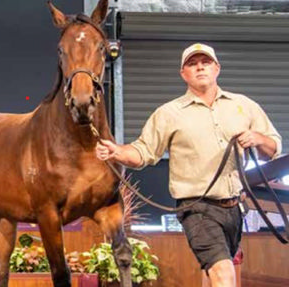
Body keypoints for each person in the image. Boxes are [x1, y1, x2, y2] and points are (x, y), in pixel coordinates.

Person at [96, 43, 281, 287]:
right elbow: (143, 152)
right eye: (192, 64)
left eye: (205, 62)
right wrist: (117, 151)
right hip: (197, 208)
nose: (200, 67)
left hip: (234, 207)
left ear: (217, 68)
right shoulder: (169, 113)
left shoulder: (244, 106)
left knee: (212, 272)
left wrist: (258, 138)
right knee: (224, 273)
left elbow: (273, 148)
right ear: (183, 74)